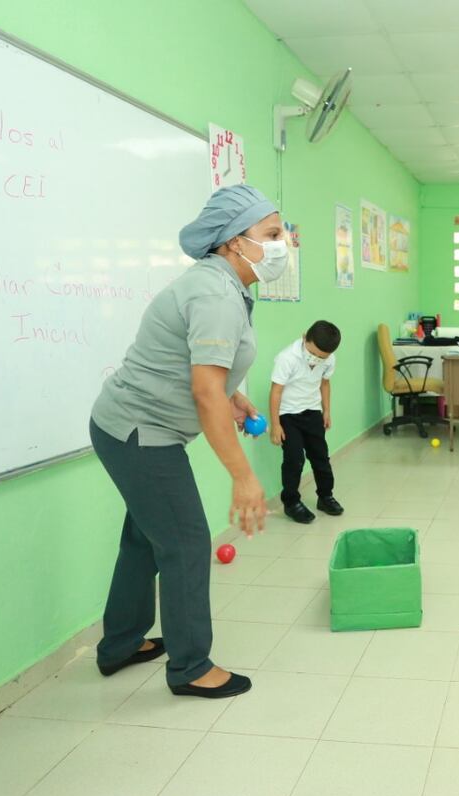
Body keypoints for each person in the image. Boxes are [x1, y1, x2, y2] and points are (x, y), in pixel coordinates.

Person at [89, 185, 290, 699]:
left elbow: (207, 371)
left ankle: (120, 645)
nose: (282, 243)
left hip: (127, 427)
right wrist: (245, 477)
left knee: (145, 539)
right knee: (185, 542)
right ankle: (191, 667)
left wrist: (236, 397)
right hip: (141, 433)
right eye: (270, 234)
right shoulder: (216, 292)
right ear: (231, 242)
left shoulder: (226, 286)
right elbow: (204, 391)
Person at [270, 320, 344, 523]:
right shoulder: (287, 358)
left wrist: (326, 410)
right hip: (288, 415)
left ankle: (325, 496)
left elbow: (325, 383)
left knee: (321, 457)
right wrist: (276, 424)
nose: (316, 359)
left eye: (322, 357)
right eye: (313, 354)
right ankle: (291, 502)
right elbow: (276, 391)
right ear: (305, 338)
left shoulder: (329, 359)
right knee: (294, 459)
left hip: (312, 411)